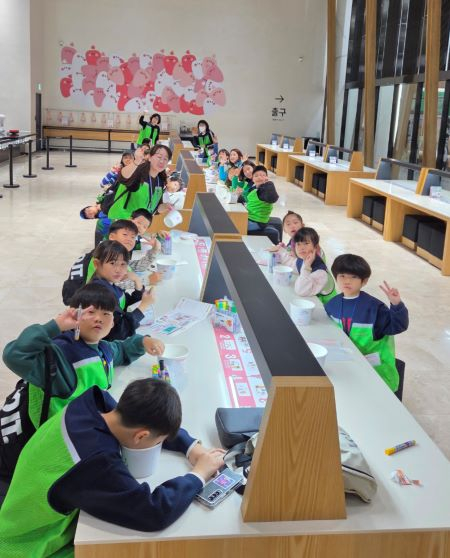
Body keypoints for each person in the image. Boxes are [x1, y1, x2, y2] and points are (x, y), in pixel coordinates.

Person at [0, 378, 226, 556]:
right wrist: (199, 474)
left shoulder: (94, 402)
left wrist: (192, 448)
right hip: (27, 546)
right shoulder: (95, 463)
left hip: (18, 507)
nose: (159, 444)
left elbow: (152, 421)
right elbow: (153, 512)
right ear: (141, 436)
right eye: (158, 442)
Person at [0, 283, 165, 480]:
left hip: (76, 433)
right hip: (46, 451)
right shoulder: (61, 354)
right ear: (75, 315)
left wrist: (143, 341)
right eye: (90, 312)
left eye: (106, 313)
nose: (98, 318)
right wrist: (56, 325)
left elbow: (120, 350)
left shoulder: (102, 347)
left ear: (113, 322)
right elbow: (15, 355)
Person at [325, 254, 409, 392]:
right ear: (336, 277)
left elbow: (398, 326)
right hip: (347, 365)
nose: (347, 281)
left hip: (375, 371)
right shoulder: (332, 305)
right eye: (342, 276)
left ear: (364, 281)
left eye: (354, 277)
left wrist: (396, 304)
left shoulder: (374, 308)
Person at [62, 219, 145, 305]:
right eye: (125, 235)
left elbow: (130, 271)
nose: (129, 240)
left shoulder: (104, 251)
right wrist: (141, 281)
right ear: (112, 237)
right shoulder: (102, 258)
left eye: (133, 237)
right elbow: (121, 282)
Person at [90, 241, 157, 341]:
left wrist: (138, 284)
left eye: (123, 264)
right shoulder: (100, 293)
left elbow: (124, 303)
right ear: (97, 264)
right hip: (107, 344)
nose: (118, 270)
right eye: (112, 263)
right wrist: (144, 305)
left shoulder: (109, 283)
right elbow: (120, 331)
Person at [108, 145, 172, 220]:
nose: (162, 161)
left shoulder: (160, 181)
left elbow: (153, 208)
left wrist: (165, 206)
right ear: (150, 157)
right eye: (159, 157)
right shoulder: (138, 172)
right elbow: (123, 178)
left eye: (165, 159)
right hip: (121, 221)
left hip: (140, 224)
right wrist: (137, 161)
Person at [293, 227, 336, 303]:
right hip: (312, 301)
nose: (301, 248)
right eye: (298, 244)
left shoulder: (320, 272)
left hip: (326, 305)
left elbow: (301, 290)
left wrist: (306, 268)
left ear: (315, 247)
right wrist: (278, 254)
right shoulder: (303, 258)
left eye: (306, 243)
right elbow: (293, 266)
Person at [246, 165, 280, 245]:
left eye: (262, 175)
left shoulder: (265, 190)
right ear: (252, 179)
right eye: (256, 176)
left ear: (267, 178)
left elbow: (273, 198)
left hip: (257, 222)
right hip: (249, 218)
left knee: (236, 226)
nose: (259, 177)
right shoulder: (254, 189)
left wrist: (269, 184)